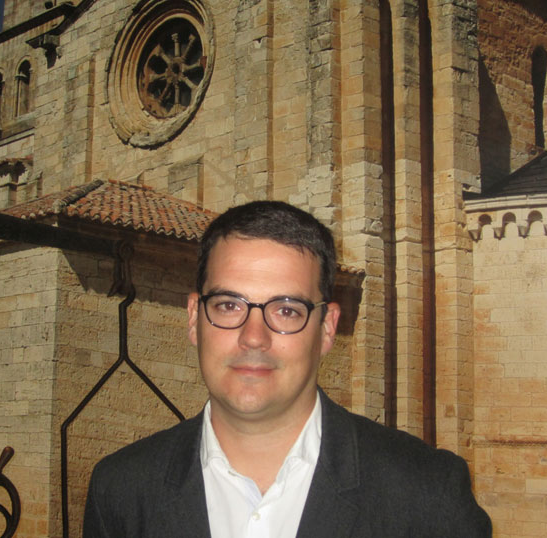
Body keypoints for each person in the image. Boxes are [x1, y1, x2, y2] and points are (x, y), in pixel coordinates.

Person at [83, 201, 492, 537]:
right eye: (229, 305)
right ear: (194, 318)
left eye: (286, 310)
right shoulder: (120, 491)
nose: (253, 337)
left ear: (327, 328)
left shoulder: (426, 495)